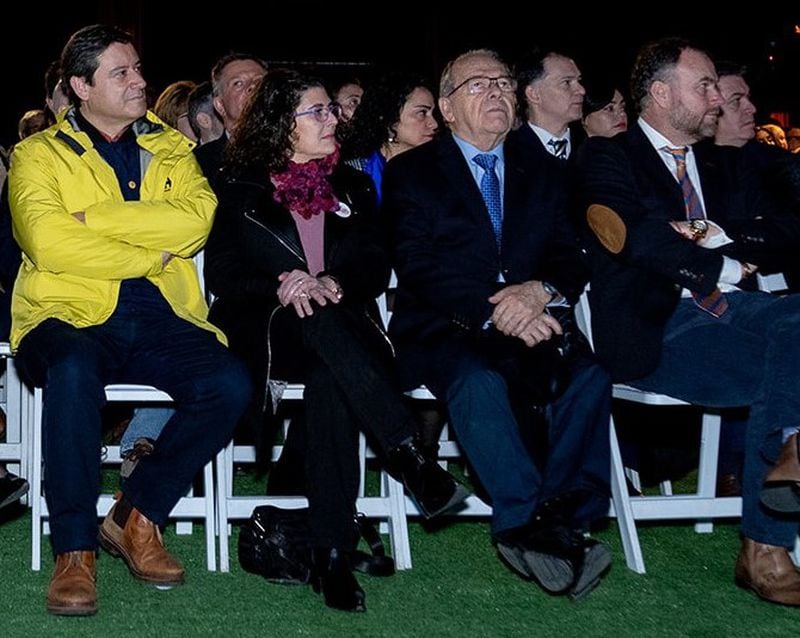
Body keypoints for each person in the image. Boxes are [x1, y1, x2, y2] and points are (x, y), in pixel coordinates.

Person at [8, 24, 251, 616]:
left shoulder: (173, 148)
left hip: (159, 311)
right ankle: (73, 550)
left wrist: (92, 219)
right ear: (80, 86)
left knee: (229, 383)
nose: (140, 80)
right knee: (71, 369)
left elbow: (194, 222)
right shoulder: (36, 154)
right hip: (64, 312)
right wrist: (145, 249)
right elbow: (48, 242)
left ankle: (134, 515)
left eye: (139, 68)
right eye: (121, 72)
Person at [204, 68, 468, 613]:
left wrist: (334, 282)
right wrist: (283, 282)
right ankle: (409, 455)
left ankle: (328, 556)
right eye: (319, 112)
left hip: (345, 335)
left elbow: (375, 261)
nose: (335, 119)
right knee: (318, 324)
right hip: (277, 334)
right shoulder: (243, 189)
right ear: (283, 125)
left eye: (332, 110)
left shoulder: (354, 185)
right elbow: (223, 277)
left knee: (332, 371)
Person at [575, 37, 800, 606]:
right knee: (791, 352)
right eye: (703, 87)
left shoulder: (726, 163)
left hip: (742, 315)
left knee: (792, 338)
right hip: (662, 328)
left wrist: (707, 232)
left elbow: (785, 231)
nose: (716, 100)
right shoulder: (608, 156)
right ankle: (765, 542)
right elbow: (633, 237)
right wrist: (722, 256)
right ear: (659, 93)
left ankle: (779, 497)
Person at [383, 49, 613, 601]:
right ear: (446, 108)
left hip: (535, 318)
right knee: (478, 381)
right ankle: (526, 518)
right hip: (447, 324)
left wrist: (536, 293)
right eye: (477, 85)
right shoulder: (413, 171)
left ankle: (552, 518)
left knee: (590, 376)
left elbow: (572, 255)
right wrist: (496, 310)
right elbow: (417, 265)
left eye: (503, 83)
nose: (495, 93)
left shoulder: (546, 172)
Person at [341, 72, 438, 203]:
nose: (434, 124)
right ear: (390, 118)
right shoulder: (354, 172)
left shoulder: (439, 171)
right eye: (422, 113)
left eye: (433, 113)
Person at [194, 53, 267, 186]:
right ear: (220, 105)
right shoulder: (198, 164)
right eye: (238, 83)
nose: (252, 87)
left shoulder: (298, 152)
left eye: (260, 81)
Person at [514, 50, 586, 161]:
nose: (581, 90)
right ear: (534, 94)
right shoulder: (509, 154)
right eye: (567, 82)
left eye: (579, 81)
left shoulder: (593, 150)